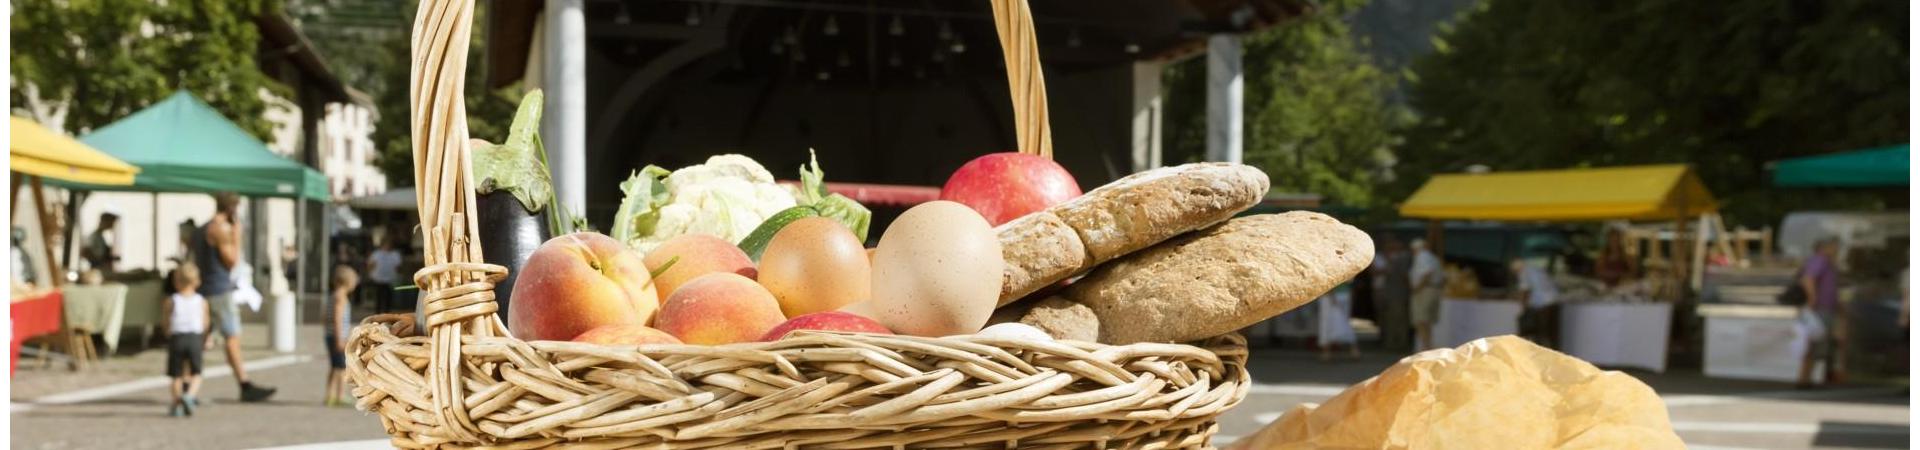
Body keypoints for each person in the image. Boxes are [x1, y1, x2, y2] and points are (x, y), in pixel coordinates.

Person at [194, 192, 277, 402]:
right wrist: (237, 236)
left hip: (207, 287)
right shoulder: (220, 229)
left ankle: (188, 385)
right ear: (231, 208)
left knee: (202, 339)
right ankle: (244, 384)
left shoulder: (203, 228)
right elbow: (232, 261)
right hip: (220, 289)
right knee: (232, 338)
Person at [1796, 238, 1845, 388]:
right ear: (1824, 248)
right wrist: (1812, 300)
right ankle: (1804, 379)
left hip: (1823, 308)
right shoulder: (1820, 260)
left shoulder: (1827, 262)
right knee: (1813, 344)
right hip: (1818, 309)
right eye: (1834, 246)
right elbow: (1808, 279)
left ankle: (1809, 378)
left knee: (1819, 345)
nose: (1837, 249)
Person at [163, 264, 209, 417]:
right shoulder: (201, 301)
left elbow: (166, 320)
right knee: (196, 372)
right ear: (197, 281)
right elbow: (205, 322)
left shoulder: (172, 300)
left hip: (177, 337)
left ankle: (177, 403)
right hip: (194, 338)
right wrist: (206, 337)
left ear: (176, 282)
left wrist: (167, 331)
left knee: (176, 374)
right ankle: (189, 395)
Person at [1372, 236, 1413, 352]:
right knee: (1387, 317)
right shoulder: (1385, 257)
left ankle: (1395, 342)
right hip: (1388, 292)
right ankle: (1390, 341)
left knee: (1396, 318)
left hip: (1393, 293)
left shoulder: (1401, 258)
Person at [324, 264, 357, 407]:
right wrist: (339, 338)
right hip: (338, 338)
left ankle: (329, 395)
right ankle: (340, 395)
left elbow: (324, 317)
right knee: (342, 368)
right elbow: (337, 319)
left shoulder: (332, 296)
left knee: (333, 367)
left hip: (330, 335)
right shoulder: (341, 298)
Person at [1513, 258, 1561, 348]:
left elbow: (1525, 290)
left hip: (1542, 304)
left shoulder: (1524, 272)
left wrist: (1523, 307)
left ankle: (1542, 355)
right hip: (1554, 301)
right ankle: (1554, 355)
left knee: (1541, 332)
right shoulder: (1536, 269)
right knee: (1552, 333)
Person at [1408, 238, 1444, 351]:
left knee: (1421, 320)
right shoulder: (1432, 257)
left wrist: (1417, 288)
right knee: (1426, 321)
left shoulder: (1423, 256)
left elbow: (1427, 273)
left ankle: (1426, 347)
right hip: (1431, 289)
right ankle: (1427, 346)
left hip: (1424, 291)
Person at [1317, 284, 1360, 361]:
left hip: (1331, 296)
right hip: (1342, 294)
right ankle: (1353, 350)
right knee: (1342, 321)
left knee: (1328, 324)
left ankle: (1327, 352)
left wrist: (1331, 294)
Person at [366, 237, 402, 313]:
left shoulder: (395, 254)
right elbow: (370, 265)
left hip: (390, 280)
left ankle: (386, 312)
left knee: (388, 298)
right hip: (378, 279)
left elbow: (398, 267)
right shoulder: (376, 254)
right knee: (378, 297)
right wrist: (370, 274)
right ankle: (377, 313)